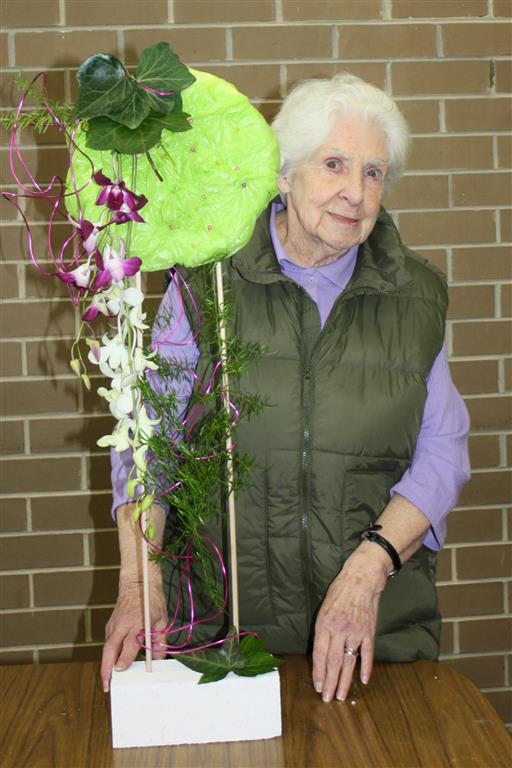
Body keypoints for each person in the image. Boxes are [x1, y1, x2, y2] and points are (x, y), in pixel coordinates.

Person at [101, 74, 470, 703]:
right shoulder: (209, 281)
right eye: (334, 164)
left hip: (372, 638)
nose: (355, 192)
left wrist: (369, 569)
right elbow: (147, 438)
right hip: (222, 634)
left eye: (374, 173)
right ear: (283, 174)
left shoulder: (415, 294)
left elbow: (444, 451)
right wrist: (140, 582)